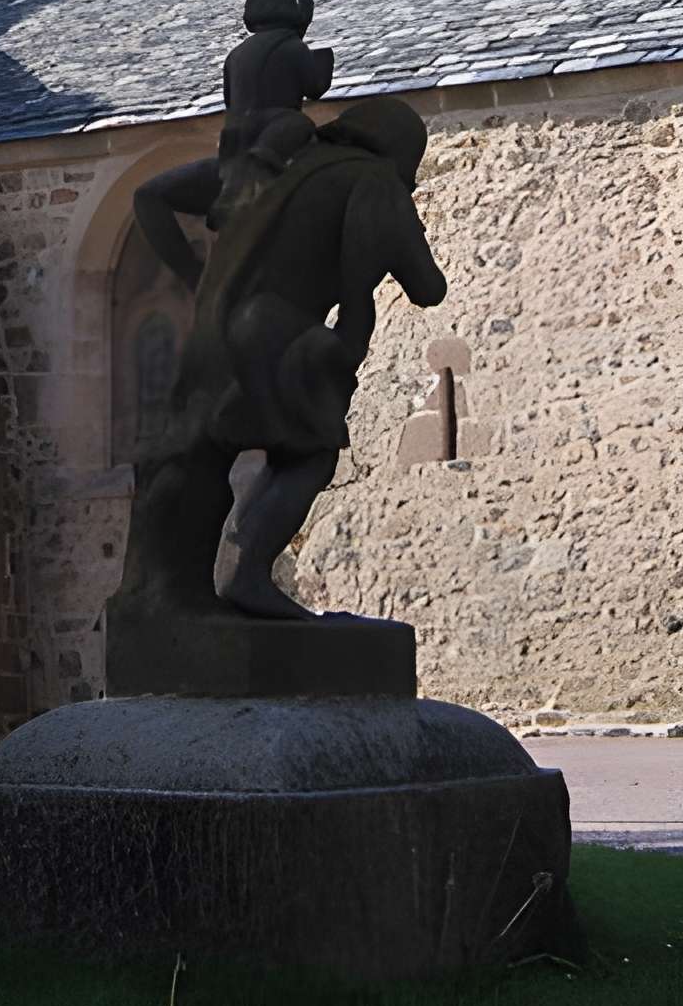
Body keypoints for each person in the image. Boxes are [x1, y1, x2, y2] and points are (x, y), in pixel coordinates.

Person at [111, 95, 449, 621]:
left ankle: (186, 591)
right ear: (399, 151)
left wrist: (191, 275)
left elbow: (151, 197)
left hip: (209, 335)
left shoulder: (273, 172)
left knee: (210, 455)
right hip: (279, 334)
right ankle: (244, 576)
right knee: (310, 453)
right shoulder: (373, 181)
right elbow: (428, 287)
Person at [129, 0, 336, 286]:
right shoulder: (293, 47)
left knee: (147, 195)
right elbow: (315, 88)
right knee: (300, 125)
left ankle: (194, 276)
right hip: (272, 136)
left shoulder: (235, 55)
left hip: (234, 146)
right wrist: (324, 60)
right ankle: (259, 172)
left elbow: (231, 100)